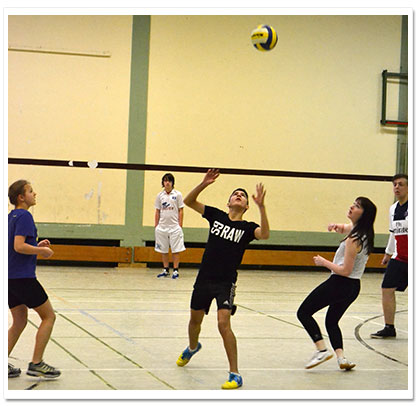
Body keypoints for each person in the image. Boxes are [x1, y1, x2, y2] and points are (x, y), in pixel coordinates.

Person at [176, 169, 270, 389]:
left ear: (246, 206)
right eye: (235, 194)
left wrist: (262, 207)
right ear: (228, 203)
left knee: (223, 323)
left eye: (243, 195)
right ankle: (193, 347)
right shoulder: (216, 216)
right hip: (204, 279)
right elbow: (188, 201)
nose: (239, 195)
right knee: (195, 322)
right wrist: (204, 183)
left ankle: (235, 374)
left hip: (225, 283)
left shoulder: (247, 228)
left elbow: (265, 234)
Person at [297, 197, 377, 370]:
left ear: (364, 214)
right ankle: (342, 358)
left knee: (303, 312)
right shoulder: (364, 233)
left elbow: (345, 270)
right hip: (353, 287)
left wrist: (324, 262)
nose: (351, 207)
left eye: (357, 206)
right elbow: (346, 228)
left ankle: (321, 350)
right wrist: (336, 226)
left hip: (340, 283)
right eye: (353, 204)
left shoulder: (353, 239)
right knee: (332, 321)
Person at [8, 180, 61, 379]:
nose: (35, 194)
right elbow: (18, 246)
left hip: (9, 278)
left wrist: (36, 246)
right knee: (49, 317)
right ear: (21, 197)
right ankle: (37, 363)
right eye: (30, 191)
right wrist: (42, 251)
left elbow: (15, 247)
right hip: (23, 278)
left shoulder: (10, 217)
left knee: (19, 321)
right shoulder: (25, 216)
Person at [371, 174, 408, 339]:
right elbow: (393, 233)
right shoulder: (393, 209)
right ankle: (389, 327)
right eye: (395, 185)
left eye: (401, 184)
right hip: (399, 257)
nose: (397, 187)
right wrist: (388, 253)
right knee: (387, 288)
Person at [154, 173, 186, 279]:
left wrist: (180, 225)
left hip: (174, 227)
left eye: (169, 181)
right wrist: (156, 225)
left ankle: (175, 270)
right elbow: (157, 211)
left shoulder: (178, 195)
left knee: (175, 250)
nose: (167, 183)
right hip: (162, 227)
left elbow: (181, 210)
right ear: (163, 183)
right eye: (165, 181)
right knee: (163, 250)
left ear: (172, 183)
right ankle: (166, 269)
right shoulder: (160, 195)